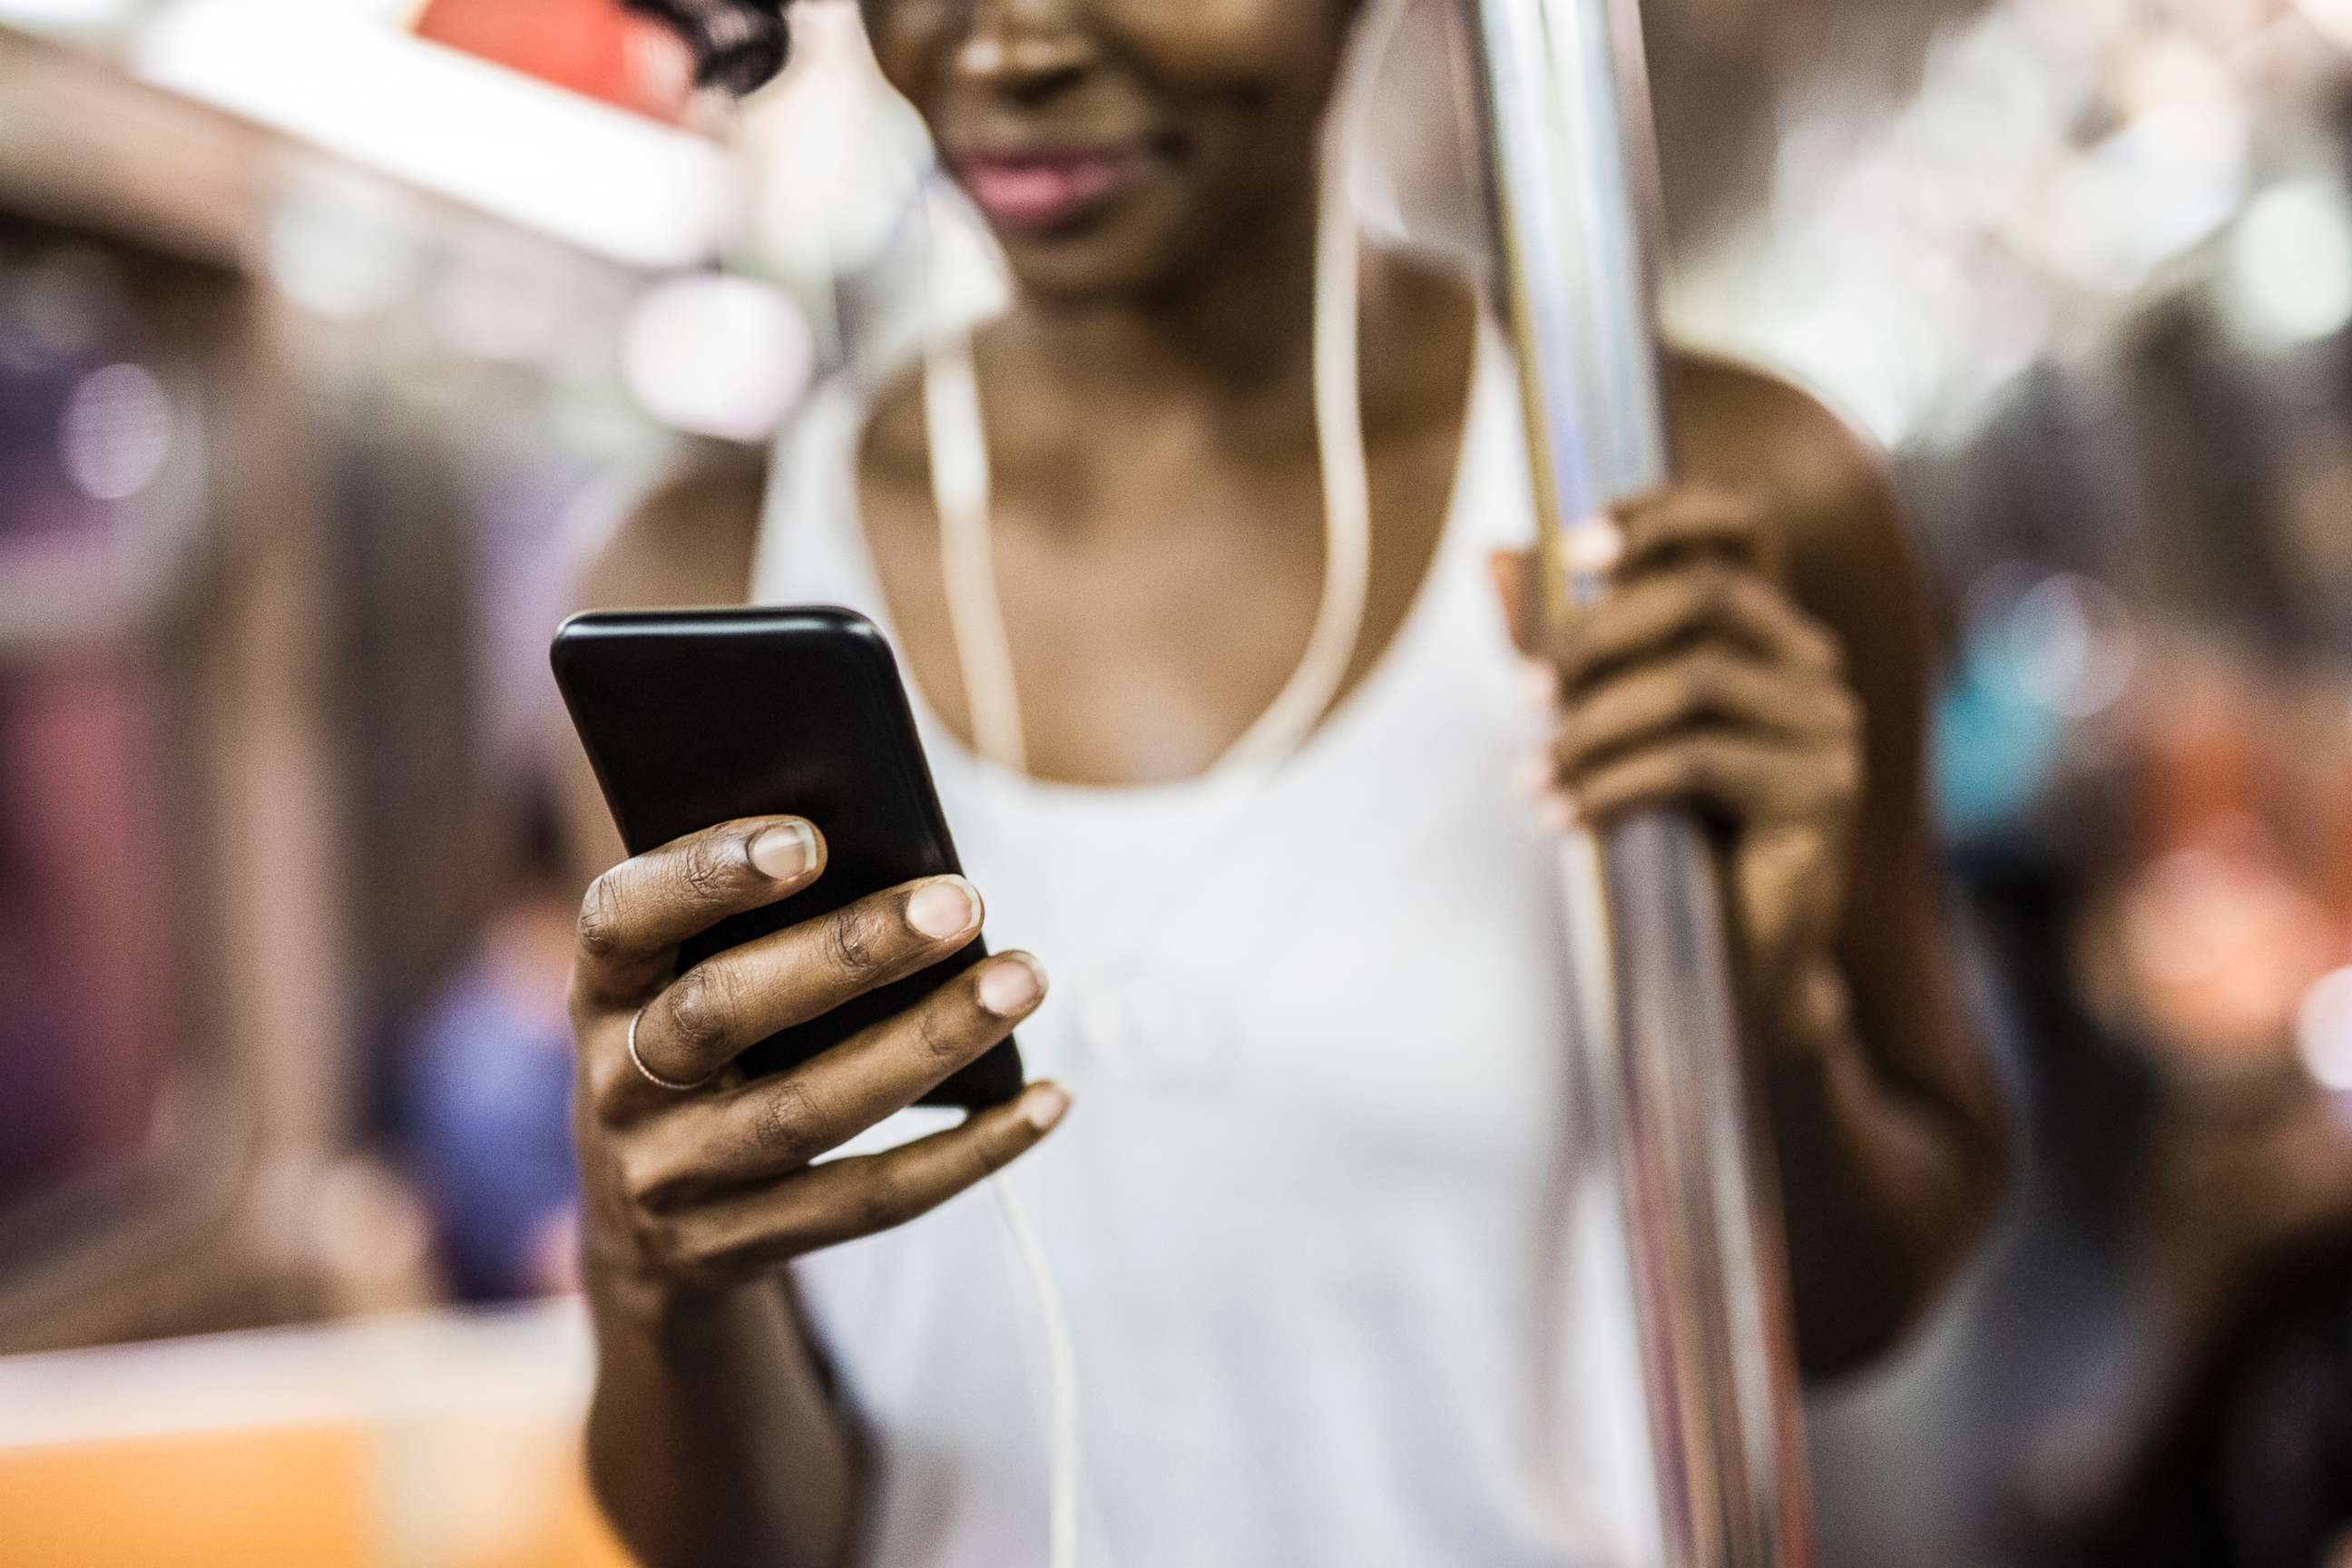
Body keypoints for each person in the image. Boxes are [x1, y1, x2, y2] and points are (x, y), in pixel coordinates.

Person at [561, 3, 2009, 1564]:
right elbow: (740, 1542)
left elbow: (1859, 1315)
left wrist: (1767, 1007)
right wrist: (658, 1280)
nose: (1012, 44)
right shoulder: (712, 580)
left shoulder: (1687, 498)